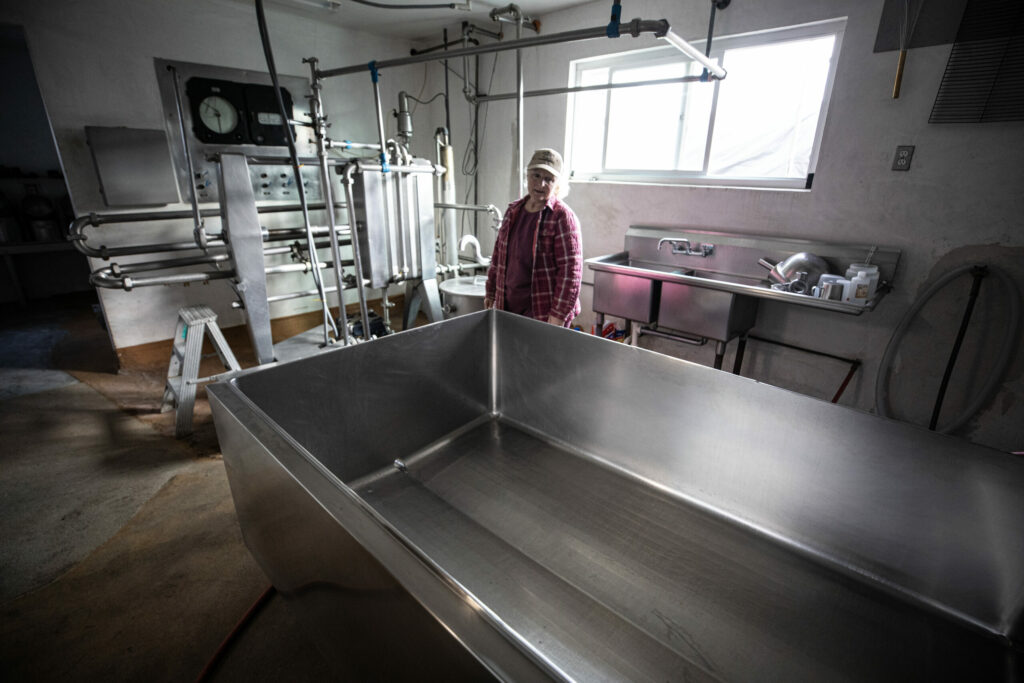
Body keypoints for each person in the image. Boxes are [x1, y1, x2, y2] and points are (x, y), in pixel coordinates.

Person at [484, 148, 582, 327]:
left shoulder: (562, 217)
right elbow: (498, 256)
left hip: (544, 312)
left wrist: (558, 315)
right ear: (527, 176)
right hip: (509, 307)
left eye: (549, 179)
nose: (541, 183)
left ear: (557, 185)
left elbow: (571, 273)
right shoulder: (513, 211)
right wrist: (490, 291)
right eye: (536, 175)